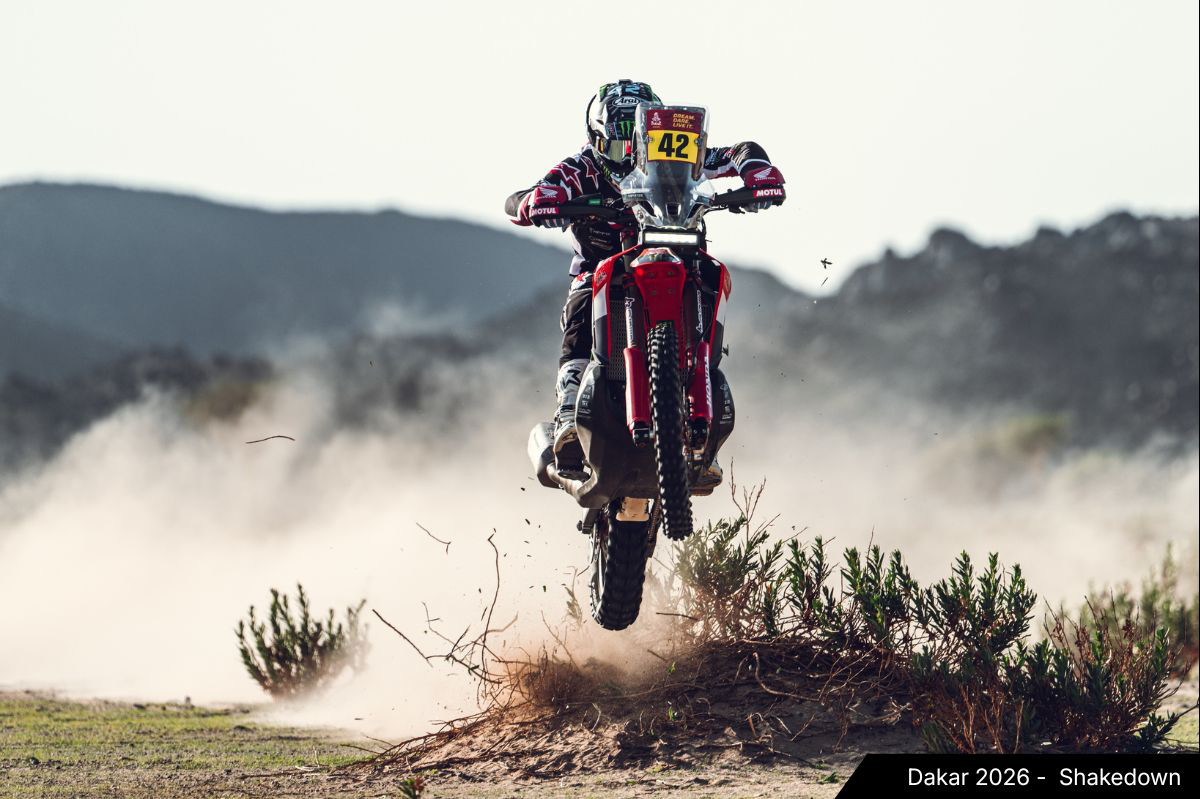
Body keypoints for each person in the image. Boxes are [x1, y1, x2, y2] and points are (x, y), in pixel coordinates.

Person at [505, 80, 786, 478]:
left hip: (674, 252)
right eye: (617, 145)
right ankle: (569, 412)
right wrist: (537, 202)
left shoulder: (675, 153)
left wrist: (756, 170)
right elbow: (526, 197)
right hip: (603, 269)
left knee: (709, 275)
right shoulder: (580, 168)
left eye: (635, 144)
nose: (626, 155)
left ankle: (701, 406)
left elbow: (735, 152)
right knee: (584, 296)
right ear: (597, 141)